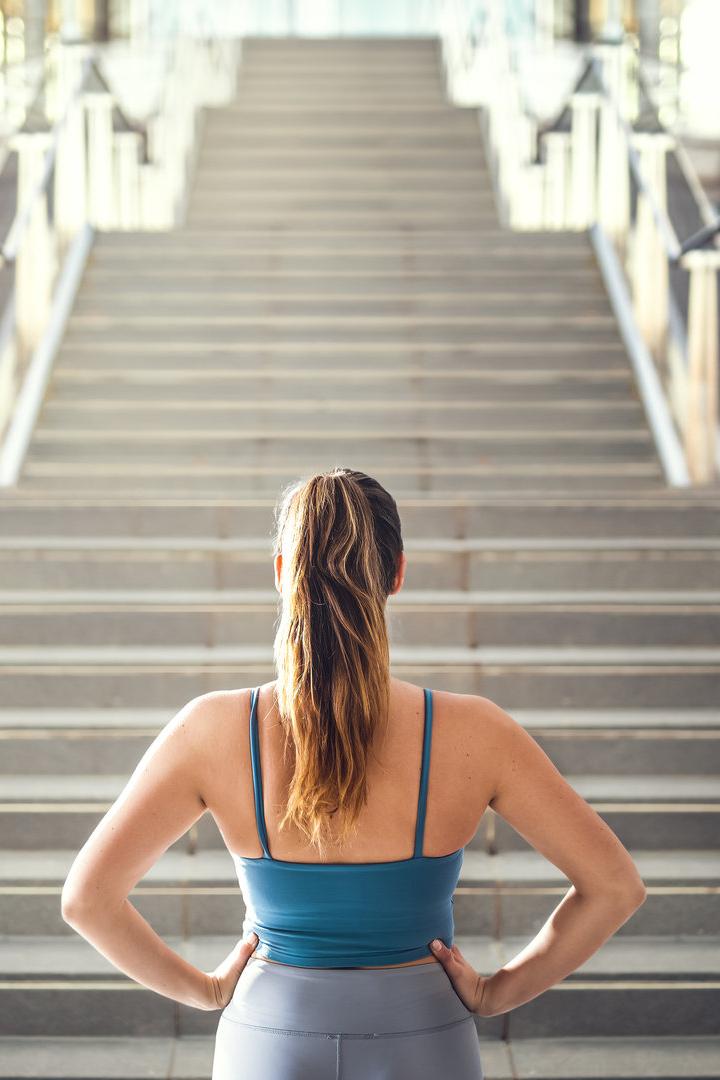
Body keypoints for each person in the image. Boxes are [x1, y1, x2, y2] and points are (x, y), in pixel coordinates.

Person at [61, 467, 647, 1080]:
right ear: (396, 574)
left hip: (269, 1034)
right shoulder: (478, 731)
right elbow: (614, 887)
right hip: (426, 1037)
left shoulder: (211, 728)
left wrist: (205, 991)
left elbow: (88, 900)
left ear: (283, 572)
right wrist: (497, 993)